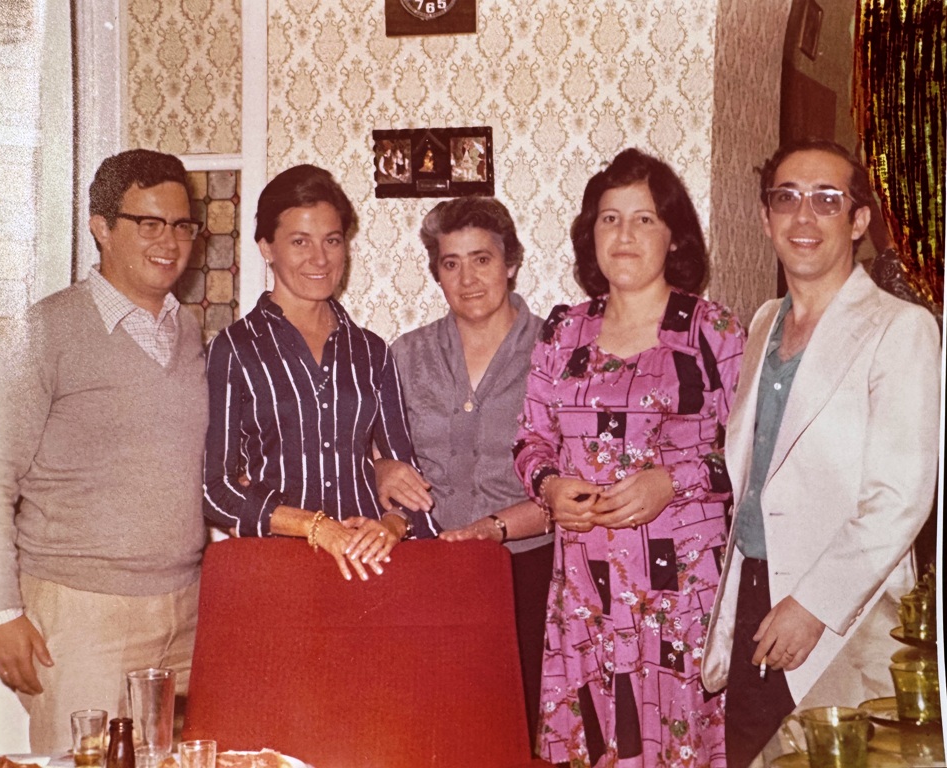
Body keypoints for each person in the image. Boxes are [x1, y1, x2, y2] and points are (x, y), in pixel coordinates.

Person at [700, 138, 941, 767]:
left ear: (858, 221)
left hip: (843, 613)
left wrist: (813, 605)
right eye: (787, 198)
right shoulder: (763, 322)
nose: (803, 216)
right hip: (754, 595)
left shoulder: (901, 329)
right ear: (766, 217)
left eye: (827, 200)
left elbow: (900, 498)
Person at [514, 148, 745, 767]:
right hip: (586, 591)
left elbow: (753, 455)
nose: (624, 234)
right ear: (590, 235)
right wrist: (549, 487)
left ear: (674, 236)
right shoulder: (563, 332)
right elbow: (531, 440)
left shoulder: (712, 331)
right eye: (610, 219)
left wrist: (673, 482)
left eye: (644, 219)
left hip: (681, 592)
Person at [0, 149, 208, 751]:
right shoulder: (41, 331)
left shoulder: (188, 329)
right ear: (101, 227)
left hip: (186, 611)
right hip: (81, 614)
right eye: (149, 223)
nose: (169, 242)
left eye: (181, 225)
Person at [202, 164, 438, 582]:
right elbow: (216, 491)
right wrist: (316, 528)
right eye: (300, 241)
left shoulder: (371, 351)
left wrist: (392, 525)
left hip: (367, 565)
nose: (320, 258)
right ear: (266, 247)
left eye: (332, 240)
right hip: (278, 571)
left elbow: (407, 479)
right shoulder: (234, 348)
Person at [385, 197, 554, 751]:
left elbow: (577, 480)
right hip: (429, 567)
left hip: (528, 572)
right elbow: (365, 446)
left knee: (519, 735)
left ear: (511, 263)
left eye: (482, 259)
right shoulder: (405, 355)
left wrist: (496, 528)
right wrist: (381, 467)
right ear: (437, 274)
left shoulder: (556, 352)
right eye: (451, 263)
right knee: (437, 731)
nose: (467, 278)